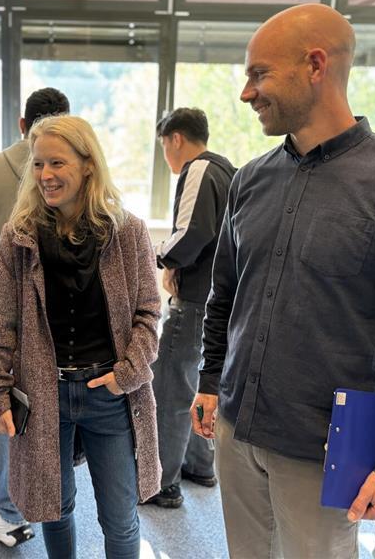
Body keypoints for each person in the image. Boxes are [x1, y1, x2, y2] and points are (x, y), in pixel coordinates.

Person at [190, 4, 375, 558]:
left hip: (323, 450)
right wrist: (211, 379)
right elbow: (225, 298)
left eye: (258, 74)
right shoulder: (251, 179)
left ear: (315, 65)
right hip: (237, 433)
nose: (247, 93)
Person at [0, 115, 162, 559]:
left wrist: (127, 375)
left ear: (87, 166)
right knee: (54, 509)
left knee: (119, 517)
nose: (45, 175)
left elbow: (148, 313)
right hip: (44, 394)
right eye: (38, 165)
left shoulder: (127, 231)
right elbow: (2, 323)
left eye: (57, 163)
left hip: (110, 393)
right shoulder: (19, 237)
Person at [0, 87, 69, 546]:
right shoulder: (73, 170)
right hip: (59, 314)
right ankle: (54, 499)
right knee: (52, 404)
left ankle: (7, 508)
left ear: (23, 124)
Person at [146, 107, 235, 509]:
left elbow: (192, 233)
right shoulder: (229, 171)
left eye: (165, 145)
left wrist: (160, 257)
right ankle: (199, 466)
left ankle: (162, 482)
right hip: (221, 300)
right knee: (204, 385)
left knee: (169, 388)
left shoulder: (198, 169)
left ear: (175, 139)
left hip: (196, 300)